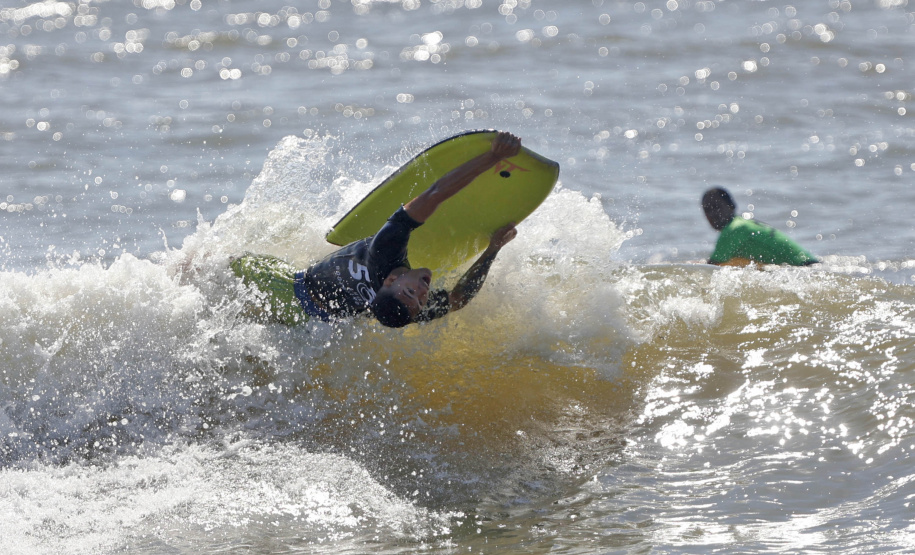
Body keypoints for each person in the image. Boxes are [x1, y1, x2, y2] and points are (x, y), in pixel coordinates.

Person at [231, 131, 523, 328]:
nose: (423, 291)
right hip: (318, 325)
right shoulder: (408, 309)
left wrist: (492, 158)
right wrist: (493, 249)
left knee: (229, 263)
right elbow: (459, 299)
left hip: (285, 288)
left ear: (392, 279)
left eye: (411, 291)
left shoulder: (385, 249)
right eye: (421, 298)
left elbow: (434, 195)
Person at [701, 187, 818, 267]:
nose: (712, 214)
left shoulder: (733, 230)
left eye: (716, 207)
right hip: (811, 266)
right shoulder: (743, 224)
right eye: (707, 209)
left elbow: (710, 269)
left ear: (732, 206)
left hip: (805, 269)